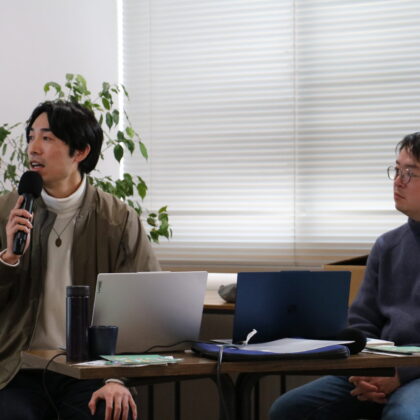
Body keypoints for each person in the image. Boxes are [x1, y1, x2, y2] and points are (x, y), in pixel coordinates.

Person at [0, 100, 161, 420]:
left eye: (47, 138)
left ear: (81, 151)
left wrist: (116, 379)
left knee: (108, 412)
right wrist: (9, 258)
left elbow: (144, 307)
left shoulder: (117, 219)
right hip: (16, 368)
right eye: (31, 137)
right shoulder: (7, 211)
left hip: (91, 369)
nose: (33, 148)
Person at [269, 131, 420, 420]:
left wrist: (400, 375)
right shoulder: (387, 245)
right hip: (380, 368)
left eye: (409, 173)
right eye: (397, 170)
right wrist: (363, 372)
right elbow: (362, 322)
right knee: (288, 410)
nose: (398, 181)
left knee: (403, 414)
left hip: (412, 373)